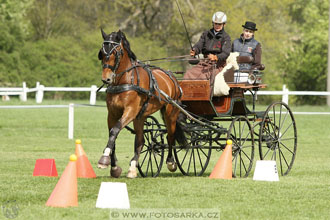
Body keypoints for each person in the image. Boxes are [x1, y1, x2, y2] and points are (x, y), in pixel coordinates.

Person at [183, 11, 231, 85]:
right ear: (213, 23)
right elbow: (199, 45)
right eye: (216, 23)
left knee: (203, 76)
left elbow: (226, 53)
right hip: (205, 62)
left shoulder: (226, 37)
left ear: (224, 24)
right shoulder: (206, 34)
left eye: (220, 24)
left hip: (218, 65)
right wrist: (195, 50)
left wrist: (216, 57)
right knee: (188, 74)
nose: (217, 25)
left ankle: (204, 95)